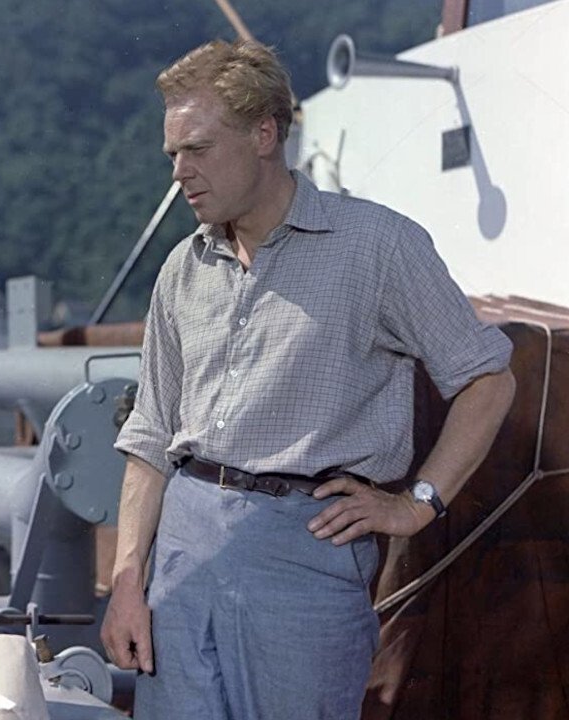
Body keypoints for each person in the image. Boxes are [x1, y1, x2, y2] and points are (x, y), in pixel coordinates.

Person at [100, 40, 516, 719]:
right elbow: (149, 437)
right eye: (172, 154)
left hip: (307, 552)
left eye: (197, 149)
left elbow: (489, 379)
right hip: (180, 555)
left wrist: (416, 505)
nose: (179, 172)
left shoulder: (379, 246)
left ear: (265, 135)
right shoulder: (181, 269)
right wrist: (126, 581)